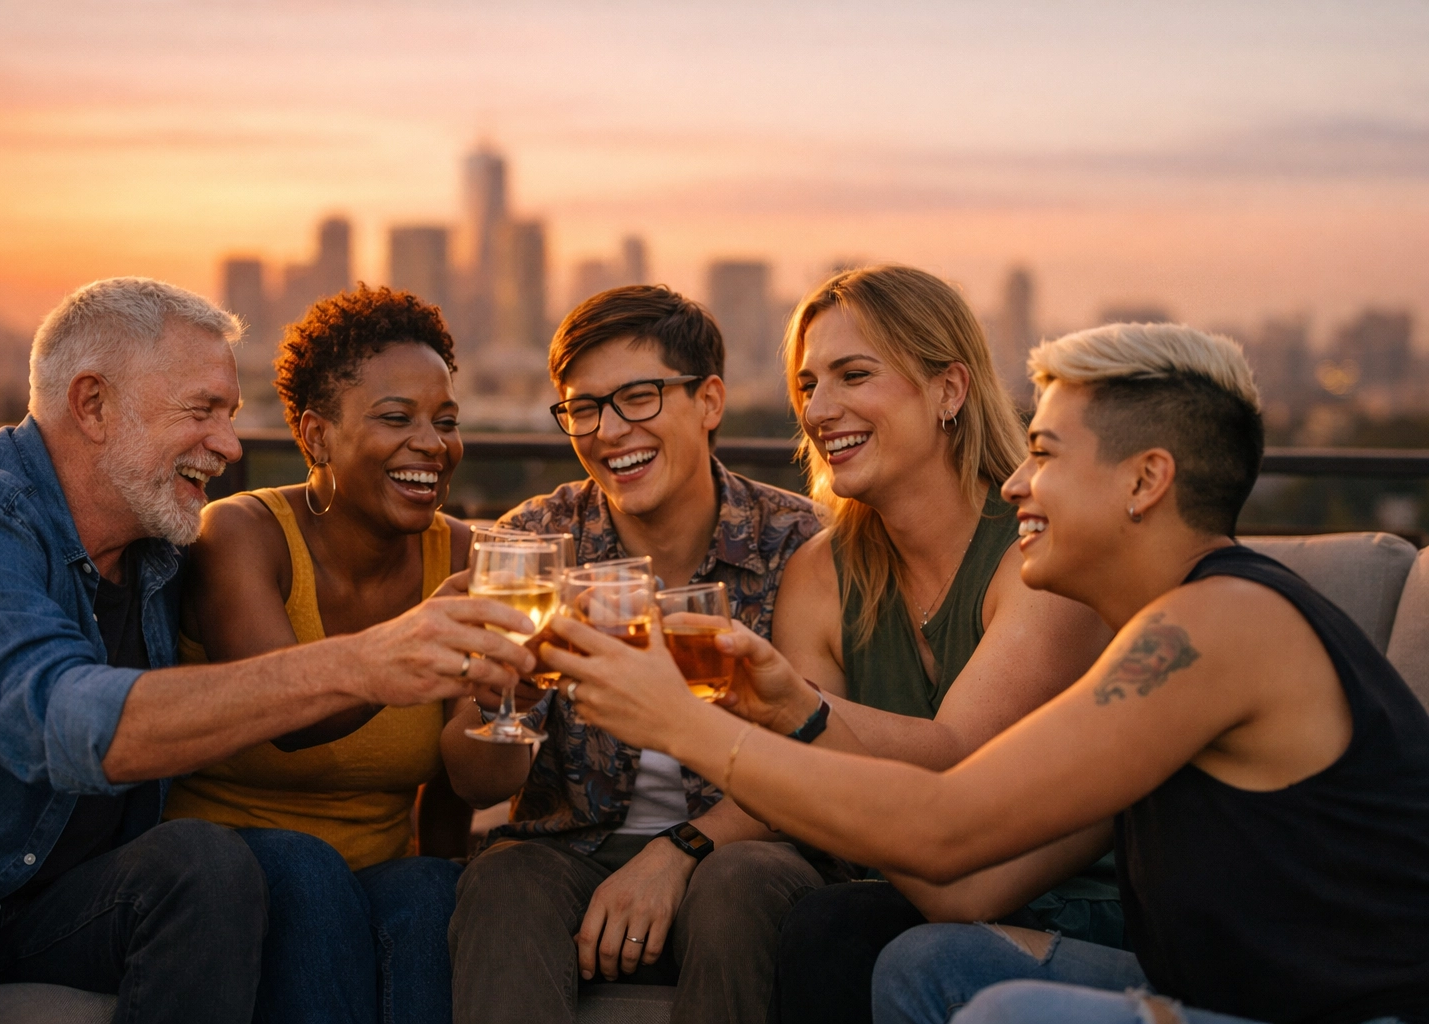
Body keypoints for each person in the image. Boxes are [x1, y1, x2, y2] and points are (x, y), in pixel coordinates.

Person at [542, 322, 1429, 1024]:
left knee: (1002, 1008)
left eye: (1045, 454)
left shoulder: (1212, 629)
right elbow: (956, 886)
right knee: (935, 960)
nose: (1014, 485)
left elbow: (941, 828)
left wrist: (683, 724)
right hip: (1223, 997)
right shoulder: (1153, 638)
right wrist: (795, 710)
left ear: (1145, 480)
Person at [0, 278, 537, 1023]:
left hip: (66, 902)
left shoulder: (159, 549)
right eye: (202, 411)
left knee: (203, 863)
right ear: (92, 403)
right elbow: (58, 718)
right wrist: (371, 659)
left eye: (229, 416)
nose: (231, 446)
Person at [443, 285, 827, 1024]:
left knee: (740, 885)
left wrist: (678, 851)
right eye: (584, 408)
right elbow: (473, 782)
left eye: (639, 398)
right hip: (568, 850)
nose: (610, 430)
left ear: (709, 401)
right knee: (502, 880)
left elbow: (818, 757)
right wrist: (508, 698)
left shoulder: (797, 542)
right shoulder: (535, 541)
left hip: (745, 845)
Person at [767, 266, 1114, 1024]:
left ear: (949, 390)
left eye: (853, 375)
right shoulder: (819, 574)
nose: (819, 410)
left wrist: (790, 706)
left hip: (1069, 905)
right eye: (808, 386)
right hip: (908, 885)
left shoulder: (1038, 556)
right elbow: (805, 789)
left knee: (846, 933)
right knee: (814, 920)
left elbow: (962, 758)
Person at [163, 285, 474, 1024]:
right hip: (232, 858)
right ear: (317, 435)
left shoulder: (463, 552)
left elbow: (466, 786)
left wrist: (513, 699)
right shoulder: (239, 534)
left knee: (436, 890)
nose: (432, 443)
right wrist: (426, 633)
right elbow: (290, 717)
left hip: (378, 867)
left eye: (447, 421)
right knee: (307, 874)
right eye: (396, 418)